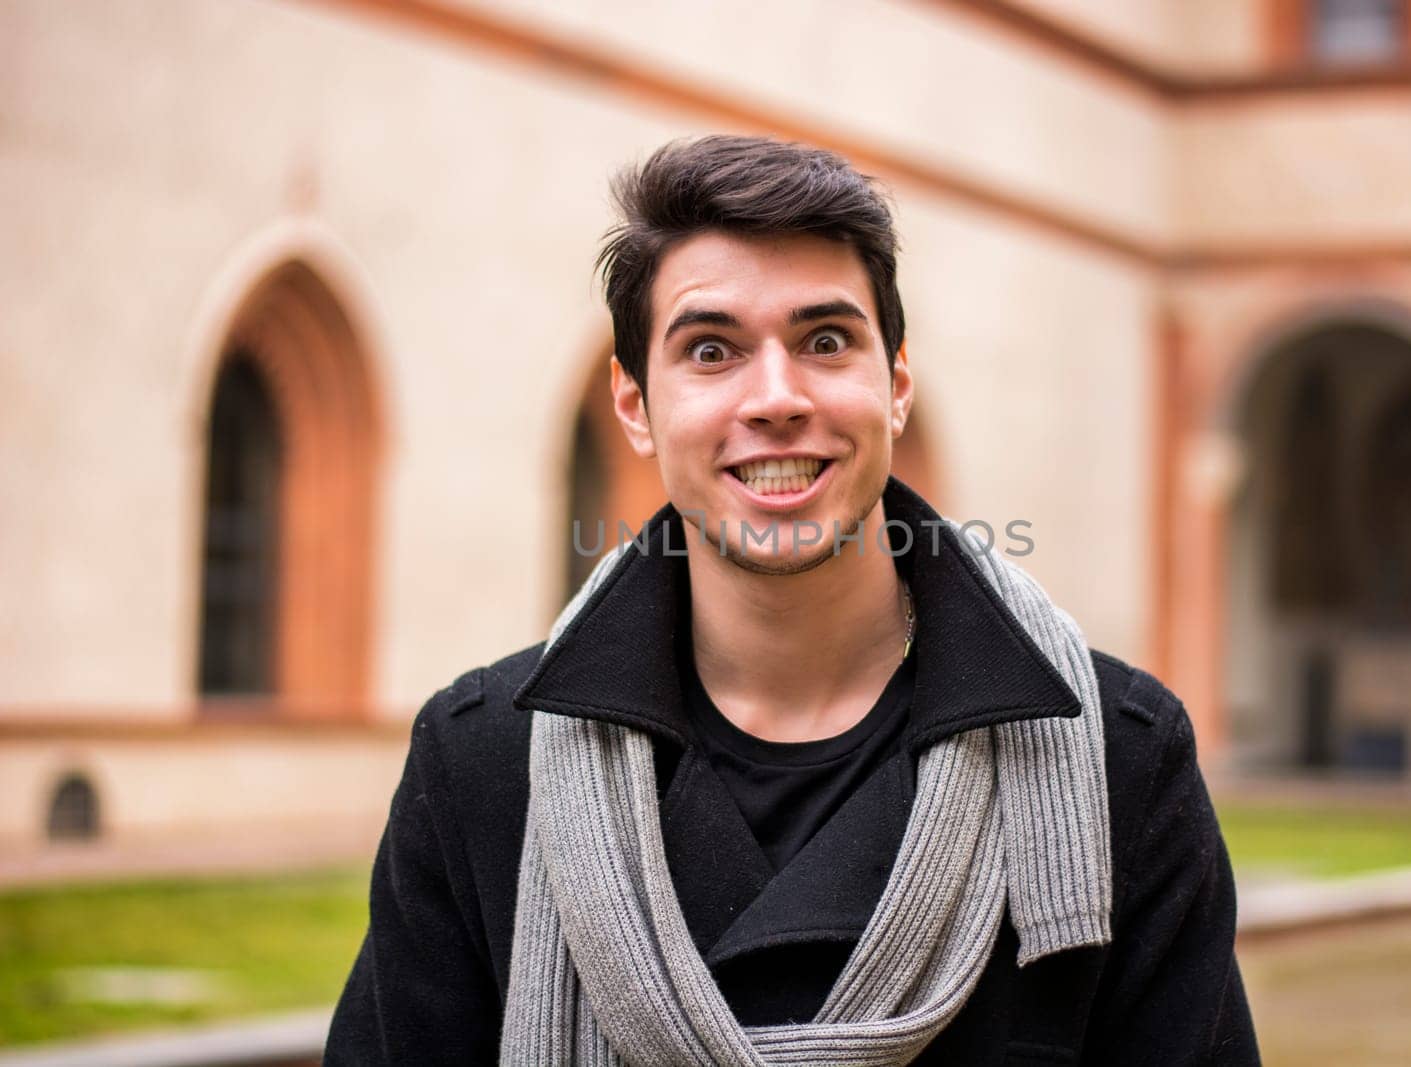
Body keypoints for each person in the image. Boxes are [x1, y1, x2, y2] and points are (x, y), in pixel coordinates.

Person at [327, 135, 1259, 1065]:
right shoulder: (485, 764)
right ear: (635, 405)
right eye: (710, 349)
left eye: (824, 341)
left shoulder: (1115, 760)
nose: (775, 397)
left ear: (894, 384)